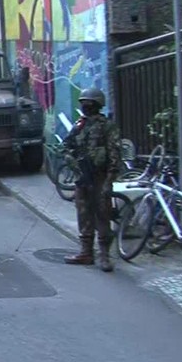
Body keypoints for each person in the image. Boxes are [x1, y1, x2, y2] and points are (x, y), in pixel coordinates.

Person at [62, 88, 122, 272]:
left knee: (102, 215)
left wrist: (109, 180)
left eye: (89, 103)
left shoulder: (107, 126)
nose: (85, 106)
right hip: (82, 177)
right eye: (83, 103)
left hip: (100, 177)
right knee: (83, 214)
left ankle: (104, 255)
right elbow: (66, 145)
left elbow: (114, 154)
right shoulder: (80, 125)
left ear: (97, 105)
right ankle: (86, 252)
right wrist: (69, 158)